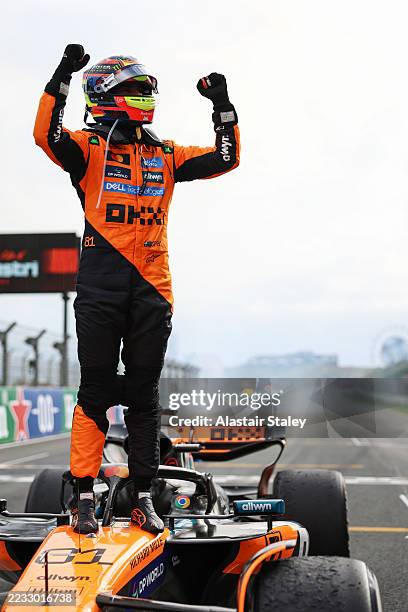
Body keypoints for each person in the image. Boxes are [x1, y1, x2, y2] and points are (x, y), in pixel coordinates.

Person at [34, 45, 240, 534]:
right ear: (106, 96)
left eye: (148, 89)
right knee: (96, 392)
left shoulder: (166, 154)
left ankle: (143, 497)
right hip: (100, 288)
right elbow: (46, 134)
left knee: (143, 398)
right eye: (135, 89)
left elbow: (225, 158)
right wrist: (63, 74)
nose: (146, 96)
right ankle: (84, 497)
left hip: (153, 289)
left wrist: (222, 106)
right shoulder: (86, 149)